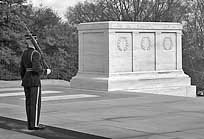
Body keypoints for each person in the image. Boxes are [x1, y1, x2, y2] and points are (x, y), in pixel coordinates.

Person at [20, 34, 51, 130]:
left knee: (28, 103)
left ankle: (30, 124)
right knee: (35, 104)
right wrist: (46, 71)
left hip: (26, 80)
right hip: (34, 80)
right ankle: (35, 124)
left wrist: (24, 78)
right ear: (35, 41)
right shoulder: (35, 53)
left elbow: (21, 69)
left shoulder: (24, 53)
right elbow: (36, 68)